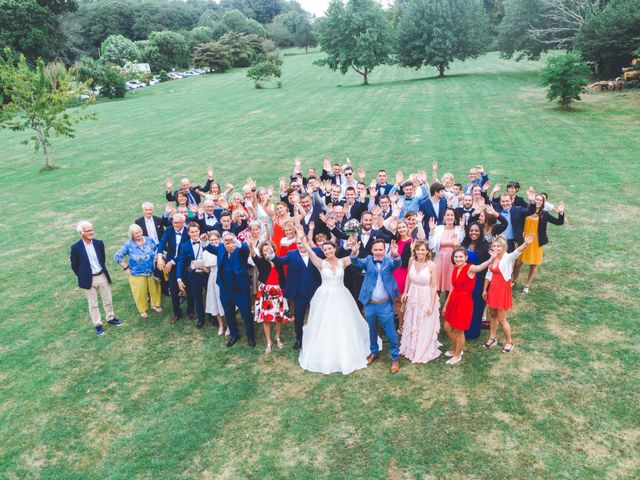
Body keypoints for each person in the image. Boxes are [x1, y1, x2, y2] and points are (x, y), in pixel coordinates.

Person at [297, 234, 374, 375]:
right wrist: (303, 239)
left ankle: (347, 349)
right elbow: (310, 251)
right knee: (324, 323)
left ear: (335, 249)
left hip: (341, 295)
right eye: (325, 250)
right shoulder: (320, 263)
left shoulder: (342, 261)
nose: (327, 252)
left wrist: (355, 249)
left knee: (344, 323)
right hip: (324, 296)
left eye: (330, 249)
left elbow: (354, 256)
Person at [350, 239, 403, 374]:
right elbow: (355, 262)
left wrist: (396, 254)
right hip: (370, 304)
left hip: (385, 304)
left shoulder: (389, 261)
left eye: (381, 249)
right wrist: (354, 252)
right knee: (371, 330)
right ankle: (374, 352)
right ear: (372, 250)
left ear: (384, 250)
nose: (378, 252)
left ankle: (395, 358)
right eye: (376, 250)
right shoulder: (367, 260)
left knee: (390, 332)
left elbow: (397, 264)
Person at [482, 234, 535, 353]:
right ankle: (492, 338)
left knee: (502, 319)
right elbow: (488, 275)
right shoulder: (492, 258)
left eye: (499, 246)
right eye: (494, 246)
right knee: (493, 316)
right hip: (493, 289)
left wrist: (525, 243)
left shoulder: (507, 258)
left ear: (504, 247)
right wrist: (485, 289)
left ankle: (509, 342)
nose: (496, 248)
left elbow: (517, 252)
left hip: (502, 290)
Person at [442, 247, 494, 365]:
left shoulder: (470, 268)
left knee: (459, 331)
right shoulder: (455, 268)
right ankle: (457, 349)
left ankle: (457, 355)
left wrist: (491, 259)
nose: (458, 259)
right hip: (453, 300)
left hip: (464, 302)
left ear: (466, 257)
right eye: (456, 257)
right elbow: (453, 288)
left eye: (461, 257)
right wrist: (445, 304)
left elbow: (480, 267)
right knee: (447, 327)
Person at [70, 221, 123, 336]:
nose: (91, 232)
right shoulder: (76, 248)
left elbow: (102, 259)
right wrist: (83, 275)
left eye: (92, 229)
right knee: (93, 304)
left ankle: (110, 318)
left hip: (102, 275)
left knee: (107, 300)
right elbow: (74, 265)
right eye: (88, 230)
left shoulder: (99, 243)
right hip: (89, 279)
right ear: (81, 232)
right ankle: (98, 324)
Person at [207, 232, 256, 347]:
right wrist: (204, 240)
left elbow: (245, 248)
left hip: (240, 290)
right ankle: (234, 335)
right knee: (229, 314)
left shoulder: (241, 251)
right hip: (225, 289)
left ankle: (250, 337)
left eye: (231, 243)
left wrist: (235, 241)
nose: (229, 245)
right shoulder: (220, 249)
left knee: (246, 314)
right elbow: (208, 247)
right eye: (227, 243)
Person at [277, 231, 323, 350]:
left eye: (302, 243)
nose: (300, 245)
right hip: (300, 293)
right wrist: (271, 256)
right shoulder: (291, 254)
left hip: (316, 291)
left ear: (307, 242)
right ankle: (299, 338)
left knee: (317, 315)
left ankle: (317, 337)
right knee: (299, 316)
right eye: (298, 243)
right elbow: (280, 261)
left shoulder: (317, 252)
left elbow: (331, 256)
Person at [399, 241, 440, 364]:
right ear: (414, 251)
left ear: (427, 251)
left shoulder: (432, 265)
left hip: (426, 295)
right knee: (412, 320)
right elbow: (408, 277)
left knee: (423, 321)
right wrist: (405, 292)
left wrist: (432, 305)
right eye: (418, 250)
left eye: (423, 250)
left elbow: (434, 286)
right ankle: (411, 347)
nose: (420, 252)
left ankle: (422, 348)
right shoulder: (411, 261)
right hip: (413, 294)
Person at [516, 196, 565, 293]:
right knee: (517, 263)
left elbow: (559, 222)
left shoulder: (545, 214)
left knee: (533, 264)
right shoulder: (526, 211)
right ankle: (514, 280)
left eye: (540, 200)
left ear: (543, 203)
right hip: (524, 240)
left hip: (536, 242)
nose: (538, 201)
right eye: (536, 199)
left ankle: (527, 285)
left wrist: (561, 213)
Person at [248, 240, 290, 354]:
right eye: (264, 250)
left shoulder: (278, 260)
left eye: (269, 249)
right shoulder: (261, 261)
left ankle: (277, 337)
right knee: (266, 318)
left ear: (273, 250)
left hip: (277, 290)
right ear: (261, 251)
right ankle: (268, 341)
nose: (267, 251)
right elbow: (254, 256)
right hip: (266, 291)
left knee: (278, 317)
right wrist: (251, 246)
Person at [114, 224, 162, 318]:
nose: (138, 234)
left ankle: (155, 305)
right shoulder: (128, 245)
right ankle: (143, 310)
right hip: (137, 274)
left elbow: (156, 250)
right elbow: (117, 257)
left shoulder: (149, 240)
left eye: (139, 232)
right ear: (132, 234)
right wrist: (126, 268)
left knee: (155, 289)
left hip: (152, 270)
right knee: (140, 293)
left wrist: (157, 257)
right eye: (136, 233)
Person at [156, 214, 193, 324]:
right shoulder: (169, 230)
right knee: (173, 289)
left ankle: (191, 310)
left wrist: (172, 262)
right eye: (173, 222)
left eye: (177, 222)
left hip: (184, 264)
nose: (175, 224)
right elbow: (162, 242)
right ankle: (177, 313)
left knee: (189, 289)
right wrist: (159, 256)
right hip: (170, 265)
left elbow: (184, 253)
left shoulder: (188, 232)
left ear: (183, 222)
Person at [176, 222, 211, 328]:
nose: (195, 234)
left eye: (196, 231)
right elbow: (181, 262)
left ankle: (212, 317)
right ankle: (201, 319)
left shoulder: (206, 242)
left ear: (199, 231)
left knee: (210, 296)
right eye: (192, 232)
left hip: (207, 274)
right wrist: (178, 278)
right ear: (188, 233)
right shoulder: (184, 246)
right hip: (193, 276)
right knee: (198, 298)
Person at [461, 222, 492, 339]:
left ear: (480, 232)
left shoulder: (485, 246)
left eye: (476, 231)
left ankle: (472, 331)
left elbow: (489, 266)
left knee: (476, 305)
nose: (474, 233)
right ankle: (462, 328)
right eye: (471, 230)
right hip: (464, 279)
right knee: (464, 304)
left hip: (478, 280)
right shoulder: (464, 244)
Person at [428, 208, 465, 293]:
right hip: (440, 259)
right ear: (444, 217)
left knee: (451, 286)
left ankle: (449, 305)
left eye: (452, 215)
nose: (449, 217)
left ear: (455, 217)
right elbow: (431, 245)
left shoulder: (459, 229)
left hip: (453, 260)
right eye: (447, 215)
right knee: (436, 285)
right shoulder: (438, 228)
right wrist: (432, 231)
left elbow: (461, 245)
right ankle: (435, 305)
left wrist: (463, 229)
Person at [203, 231, 227, 336]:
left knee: (224, 302)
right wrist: (202, 267)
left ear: (219, 239)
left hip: (223, 277)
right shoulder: (206, 252)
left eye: (215, 240)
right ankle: (221, 324)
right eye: (211, 240)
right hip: (212, 278)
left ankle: (230, 325)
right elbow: (207, 270)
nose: (213, 242)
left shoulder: (223, 249)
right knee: (215, 301)